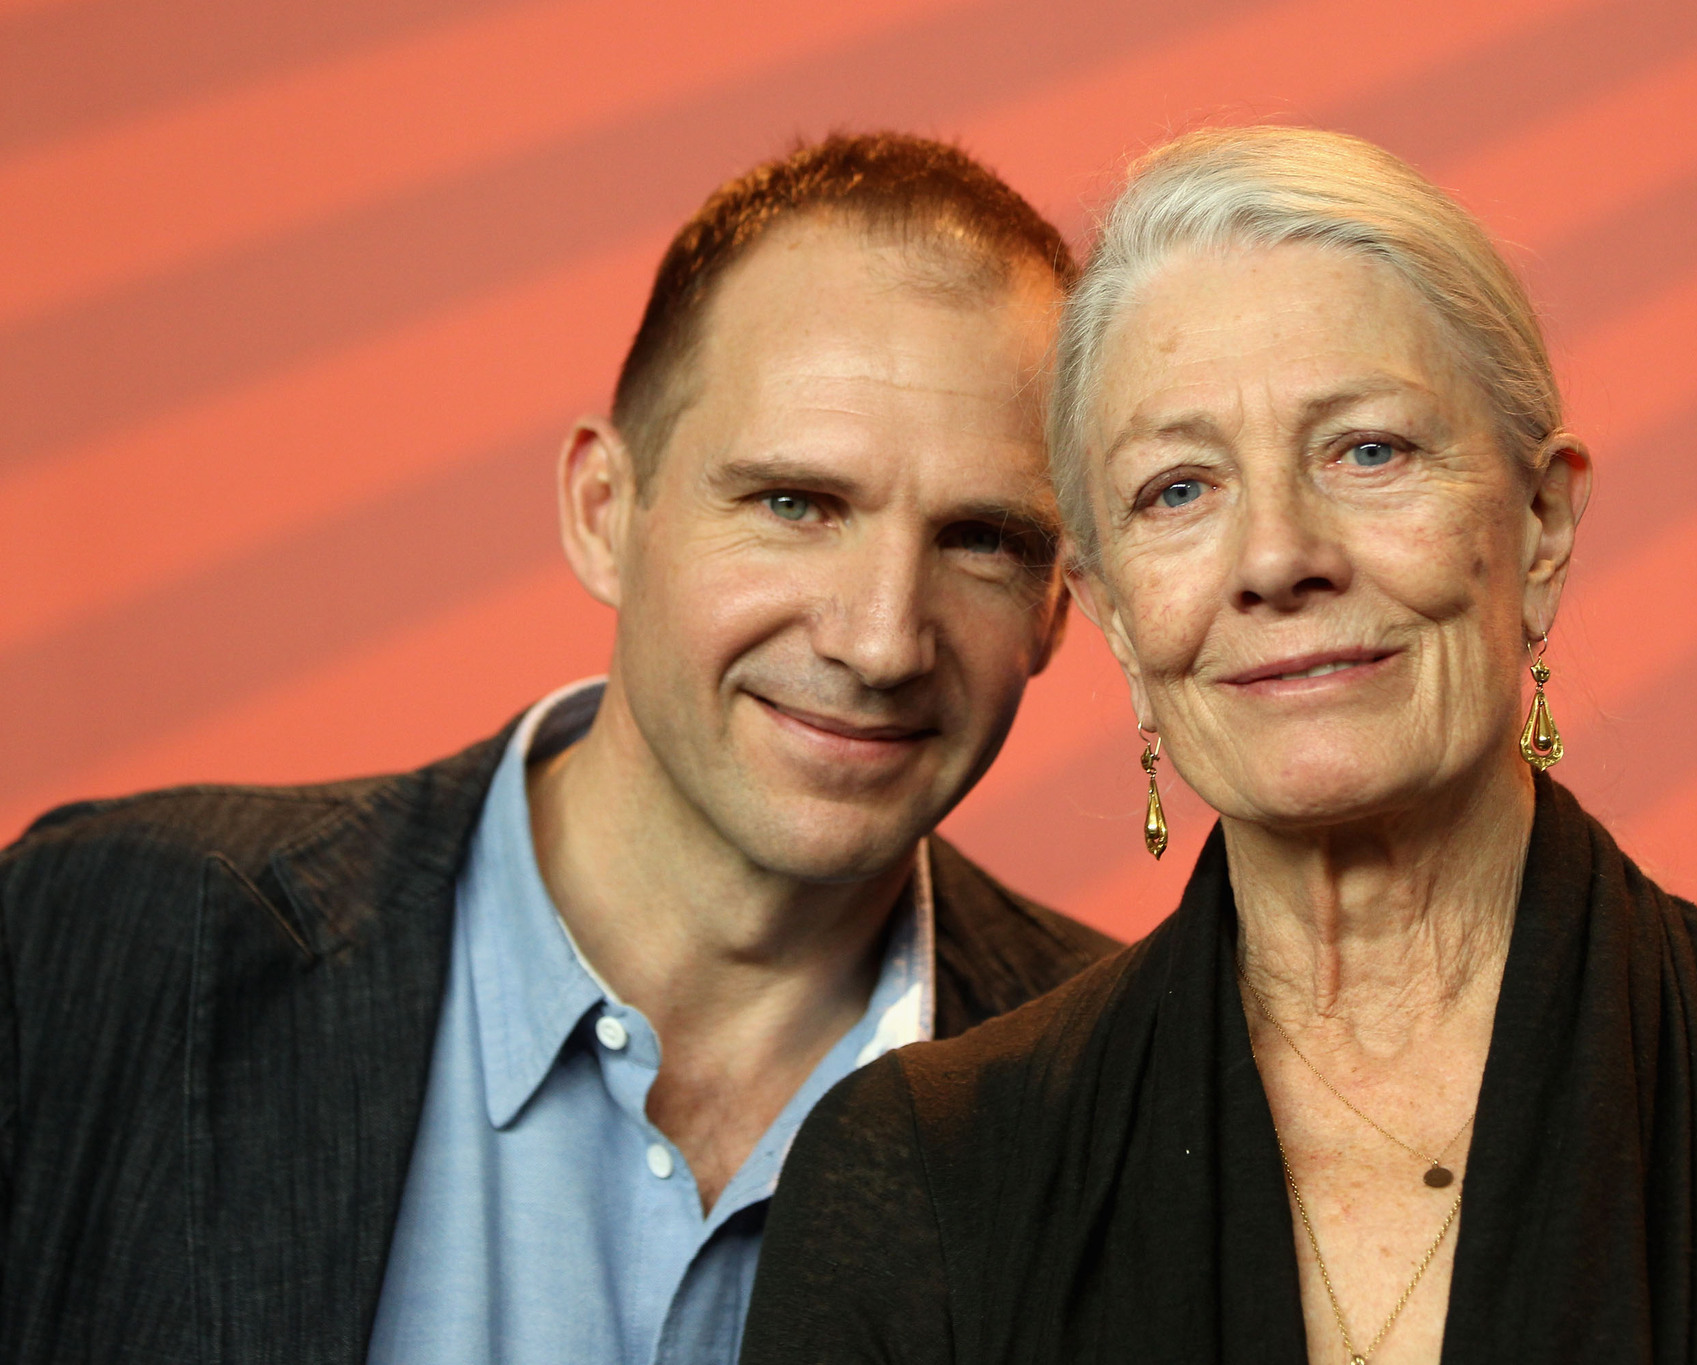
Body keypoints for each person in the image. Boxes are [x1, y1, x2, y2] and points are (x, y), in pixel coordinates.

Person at [741, 126, 1697, 1364]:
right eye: (1179, 489)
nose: (1277, 559)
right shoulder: (915, 1181)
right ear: (1117, 615)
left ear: (1539, 525)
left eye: (1369, 450)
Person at [0, 132, 1118, 1365]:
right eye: (793, 504)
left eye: (982, 540)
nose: (878, 638)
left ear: (1057, 608)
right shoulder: (113, 940)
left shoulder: (1141, 1092)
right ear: (604, 512)